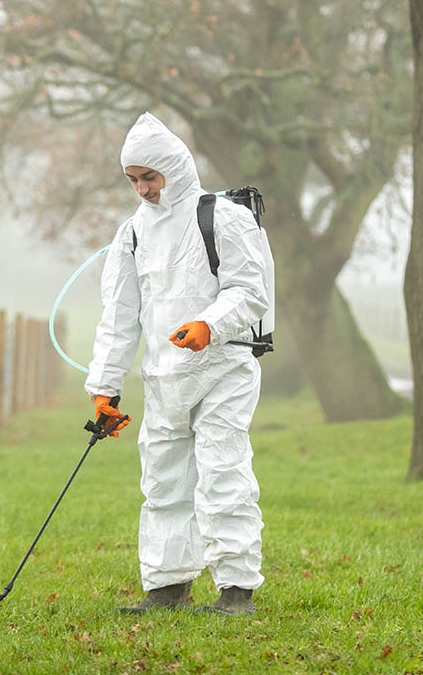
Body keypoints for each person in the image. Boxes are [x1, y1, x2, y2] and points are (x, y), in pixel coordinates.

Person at [85, 111, 271, 616]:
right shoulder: (132, 234)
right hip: (164, 378)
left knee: (222, 472)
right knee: (164, 481)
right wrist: (105, 388)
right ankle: (167, 586)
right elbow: (119, 316)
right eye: (133, 180)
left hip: (221, 371)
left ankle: (236, 590)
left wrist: (209, 325)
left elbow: (250, 292)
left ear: (175, 169)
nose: (143, 189)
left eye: (150, 177)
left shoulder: (222, 217)